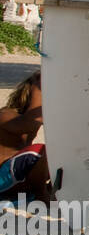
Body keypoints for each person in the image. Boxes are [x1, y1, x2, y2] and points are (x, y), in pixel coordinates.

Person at [0, 72, 50, 204]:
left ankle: (47, 190)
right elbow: (31, 122)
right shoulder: (5, 115)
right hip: (2, 180)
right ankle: (41, 196)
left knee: (58, 155)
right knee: (39, 151)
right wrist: (39, 83)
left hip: (17, 181)